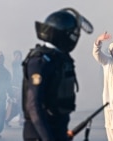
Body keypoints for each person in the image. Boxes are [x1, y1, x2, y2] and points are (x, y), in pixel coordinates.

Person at [22, 7, 93, 141]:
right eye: (72, 34)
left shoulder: (59, 59)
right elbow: (33, 105)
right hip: (40, 135)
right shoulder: (40, 62)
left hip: (58, 130)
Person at [5, 50, 24, 127]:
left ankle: (20, 119)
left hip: (20, 86)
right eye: (15, 55)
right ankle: (7, 119)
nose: (17, 57)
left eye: (18, 55)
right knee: (14, 104)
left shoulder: (21, 64)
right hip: (16, 87)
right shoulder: (15, 64)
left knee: (20, 104)